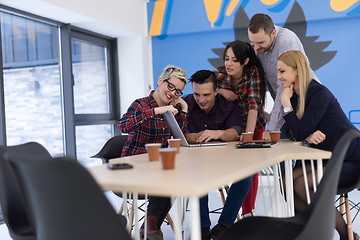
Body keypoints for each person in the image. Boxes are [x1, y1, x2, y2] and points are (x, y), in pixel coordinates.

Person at [278, 50, 360, 240]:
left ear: (297, 71)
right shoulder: (296, 96)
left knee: (301, 185)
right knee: (285, 183)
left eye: (282, 71)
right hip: (327, 159)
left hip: (351, 160)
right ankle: (311, 234)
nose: (278, 77)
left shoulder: (318, 93)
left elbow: (297, 131)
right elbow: (291, 131)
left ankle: (347, 235)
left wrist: (286, 104)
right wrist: (306, 133)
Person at [117, 65, 188, 240]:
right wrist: (157, 110)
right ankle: (150, 226)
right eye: (170, 86)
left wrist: (183, 110)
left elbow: (179, 137)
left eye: (178, 91)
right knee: (164, 176)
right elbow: (123, 126)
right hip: (133, 164)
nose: (172, 93)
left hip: (156, 166)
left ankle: (150, 226)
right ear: (160, 81)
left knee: (174, 178)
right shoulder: (140, 104)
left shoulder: (171, 109)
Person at [183, 70, 253, 240]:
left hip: (225, 160)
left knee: (246, 175)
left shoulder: (228, 105)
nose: (201, 99)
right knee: (197, 174)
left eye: (206, 94)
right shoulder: (186, 103)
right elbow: (178, 134)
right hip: (196, 161)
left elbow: (235, 132)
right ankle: (202, 228)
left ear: (216, 91)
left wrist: (218, 133)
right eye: (197, 94)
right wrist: (194, 136)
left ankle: (224, 225)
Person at [214, 40, 267, 217]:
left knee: (251, 167)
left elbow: (254, 105)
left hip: (255, 124)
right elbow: (206, 89)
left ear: (244, 62)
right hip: (233, 127)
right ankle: (241, 211)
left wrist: (249, 136)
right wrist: (221, 91)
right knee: (240, 168)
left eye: (234, 60)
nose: (229, 63)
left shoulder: (254, 73)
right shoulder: (219, 74)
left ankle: (248, 212)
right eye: (226, 58)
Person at [248, 13, 319, 141]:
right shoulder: (257, 46)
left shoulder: (286, 40)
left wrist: (272, 128)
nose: (256, 48)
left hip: (305, 103)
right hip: (286, 106)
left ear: (273, 33)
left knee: (308, 152)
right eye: (252, 43)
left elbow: (283, 87)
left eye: (260, 42)